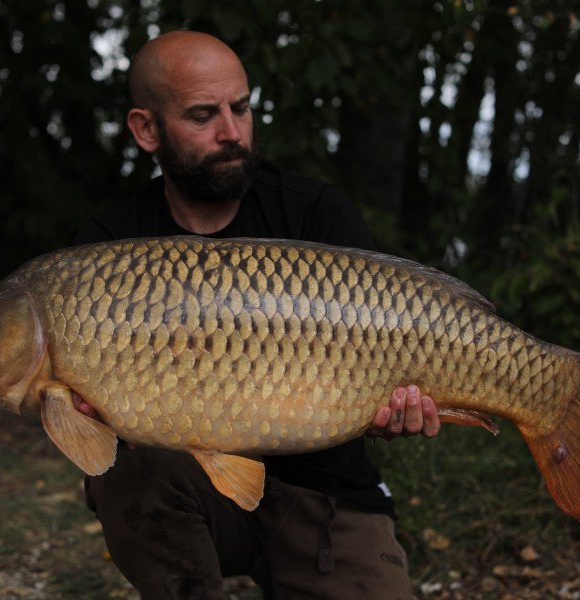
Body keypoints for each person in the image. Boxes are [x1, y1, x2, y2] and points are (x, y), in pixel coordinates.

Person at [73, 30, 441, 599]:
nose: (232, 133)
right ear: (147, 129)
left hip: (325, 493)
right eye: (203, 115)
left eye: (241, 108)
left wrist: (399, 405)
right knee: (126, 475)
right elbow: (86, 427)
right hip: (193, 492)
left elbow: (397, 337)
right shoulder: (109, 249)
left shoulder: (315, 213)